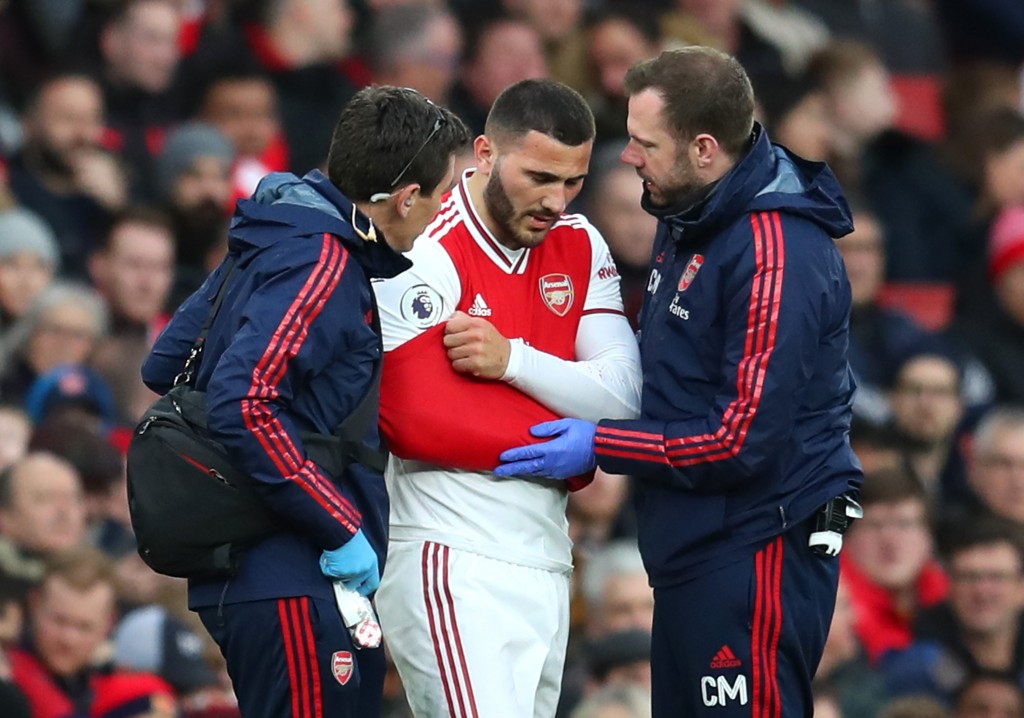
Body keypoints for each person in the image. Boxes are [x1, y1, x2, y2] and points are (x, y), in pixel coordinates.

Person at [496, 47, 862, 717]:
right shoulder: (690, 213)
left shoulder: (776, 252)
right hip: (696, 549)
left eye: (644, 143)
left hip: (759, 545)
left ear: (702, 148)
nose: (629, 157)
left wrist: (602, 445)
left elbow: (740, 440)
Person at [140, 85, 470, 717]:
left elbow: (165, 363)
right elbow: (244, 405)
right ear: (404, 199)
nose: (441, 212)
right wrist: (340, 525)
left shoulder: (276, 233)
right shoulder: (322, 262)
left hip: (252, 574)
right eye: (440, 194)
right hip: (294, 571)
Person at [371, 78, 641, 717]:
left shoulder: (581, 242)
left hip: (547, 556)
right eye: (540, 176)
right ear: (486, 154)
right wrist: (581, 442)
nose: (556, 200)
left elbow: (626, 402)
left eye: (572, 181)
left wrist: (511, 361)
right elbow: (413, 419)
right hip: (450, 550)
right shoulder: (427, 240)